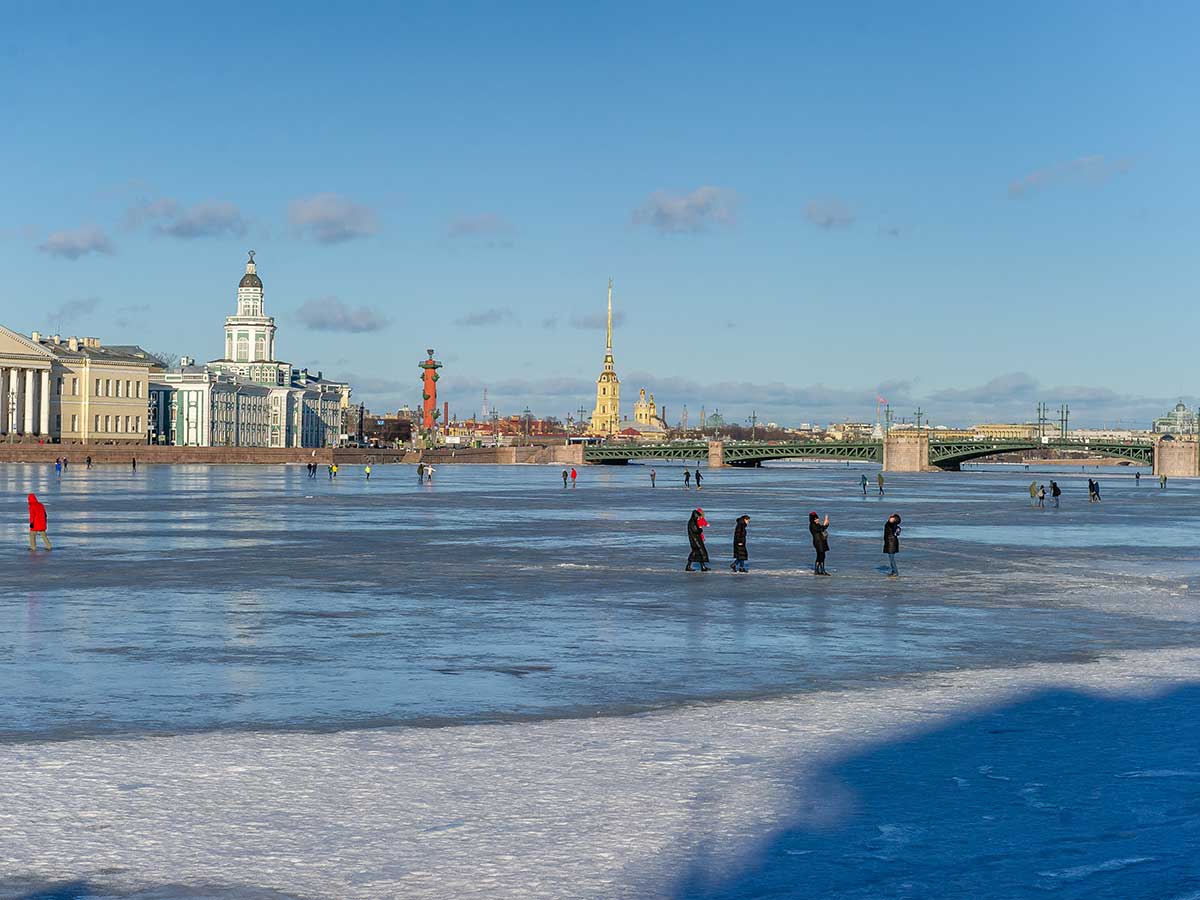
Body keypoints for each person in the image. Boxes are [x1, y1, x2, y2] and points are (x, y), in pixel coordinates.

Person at [809, 511, 831, 575]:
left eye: (817, 518)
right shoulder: (812, 525)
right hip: (818, 542)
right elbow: (820, 529)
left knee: (822, 556)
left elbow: (822, 529)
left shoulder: (816, 524)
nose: (817, 519)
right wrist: (824, 524)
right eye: (815, 519)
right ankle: (819, 571)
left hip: (821, 541)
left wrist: (827, 524)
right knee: (820, 556)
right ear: (813, 519)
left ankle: (820, 570)